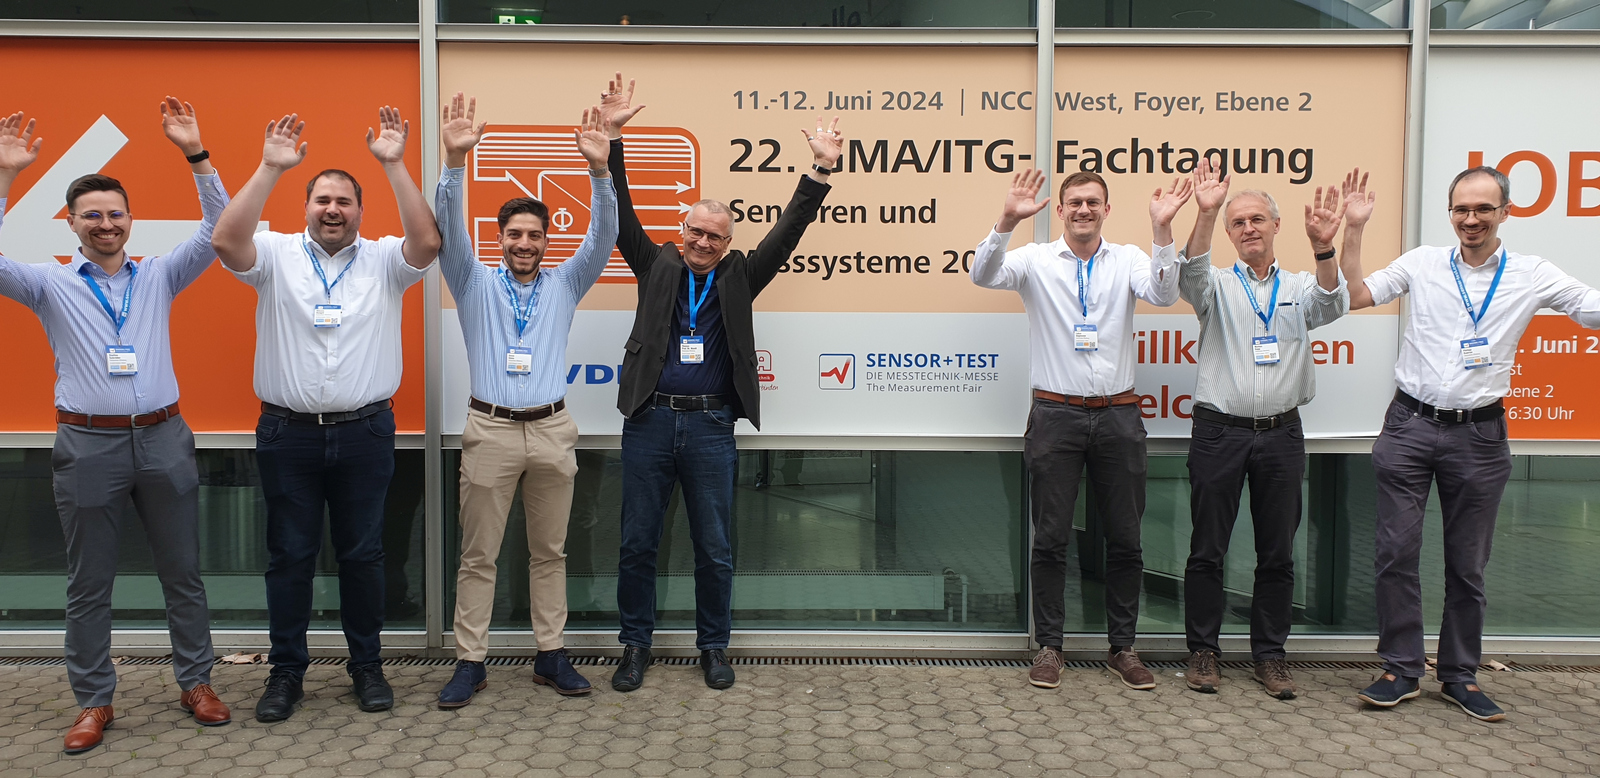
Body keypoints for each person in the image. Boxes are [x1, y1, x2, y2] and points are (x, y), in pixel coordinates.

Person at [596, 72, 843, 691]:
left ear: (728, 241)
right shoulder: (654, 264)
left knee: (713, 547)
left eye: (714, 235)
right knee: (637, 546)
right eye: (694, 232)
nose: (702, 242)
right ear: (680, 233)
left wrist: (817, 172)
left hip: (709, 425)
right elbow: (621, 211)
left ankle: (713, 648)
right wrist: (615, 141)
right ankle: (634, 647)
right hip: (651, 420)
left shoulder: (739, 275)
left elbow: (788, 233)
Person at [0, 100, 233, 754]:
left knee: (182, 571)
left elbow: (221, 225)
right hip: (88, 443)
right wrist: (5, 176)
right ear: (71, 223)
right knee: (89, 582)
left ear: (130, 220)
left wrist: (195, 154)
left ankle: (196, 683)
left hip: (163, 438)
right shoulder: (49, 285)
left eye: (115, 213)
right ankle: (94, 701)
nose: (106, 224)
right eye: (92, 215)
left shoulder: (159, 274)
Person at [1342, 166, 1600, 721]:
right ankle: (1401, 669)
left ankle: (1459, 675)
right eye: (1461, 209)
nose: (1471, 219)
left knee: (1467, 565)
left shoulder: (1531, 273)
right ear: (1451, 214)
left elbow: (1588, 307)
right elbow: (1359, 294)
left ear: (1506, 212)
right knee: (1395, 554)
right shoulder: (1423, 263)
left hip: (1479, 435)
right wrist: (1355, 231)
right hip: (1409, 425)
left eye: (1483, 209)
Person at [211, 108, 441, 722]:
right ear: (306, 206)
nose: (332, 209)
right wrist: (269, 167)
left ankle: (366, 665)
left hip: (365, 432)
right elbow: (224, 241)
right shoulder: (275, 254)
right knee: (289, 556)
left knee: (364, 555)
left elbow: (428, 243)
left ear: (360, 210)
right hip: (288, 434)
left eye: (344, 200)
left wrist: (393, 164)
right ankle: (286, 674)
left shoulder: (386, 259)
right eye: (322, 200)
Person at [971, 167, 1190, 691]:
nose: (1084, 210)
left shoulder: (1131, 258)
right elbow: (982, 274)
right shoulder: (1035, 260)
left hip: (1118, 415)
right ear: (1061, 210)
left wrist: (1162, 230)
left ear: (1106, 210)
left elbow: (1164, 294)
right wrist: (1006, 219)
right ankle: (1050, 647)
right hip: (1055, 415)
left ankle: (1124, 649)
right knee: (1049, 539)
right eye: (1075, 203)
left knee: (1126, 539)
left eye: (1093, 202)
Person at [432, 94, 618, 707]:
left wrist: (600, 168)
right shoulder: (472, 279)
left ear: (545, 239)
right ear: (499, 237)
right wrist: (455, 160)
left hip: (551, 429)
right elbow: (448, 231)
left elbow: (604, 236)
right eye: (514, 234)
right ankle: (470, 661)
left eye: (535, 234)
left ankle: (550, 655)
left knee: (550, 551)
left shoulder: (566, 280)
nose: (524, 243)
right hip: (490, 430)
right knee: (478, 554)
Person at [1175, 160, 1349, 699]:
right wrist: (1204, 212)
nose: (1248, 228)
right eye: (1237, 222)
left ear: (1276, 225)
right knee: (1208, 548)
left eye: (1257, 219)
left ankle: (1270, 656)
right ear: (1229, 234)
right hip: (1219, 432)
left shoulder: (1300, 285)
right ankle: (1203, 652)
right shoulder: (1218, 288)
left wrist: (1325, 248)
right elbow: (1188, 275)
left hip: (1280, 435)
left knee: (1277, 553)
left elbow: (1334, 304)